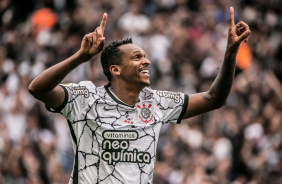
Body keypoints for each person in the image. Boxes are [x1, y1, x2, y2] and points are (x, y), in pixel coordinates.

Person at [28, 7, 251, 184]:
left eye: (144, 56)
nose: (146, 61)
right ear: (115, 69)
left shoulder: (156, 102)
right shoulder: (85, 98)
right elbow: (38, 89)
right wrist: (79, 57)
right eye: (136, 57)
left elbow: (215, 98)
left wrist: (230, 53)